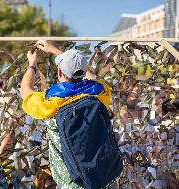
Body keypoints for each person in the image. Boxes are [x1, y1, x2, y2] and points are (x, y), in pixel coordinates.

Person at [20, 40, 113, 188]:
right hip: (101, 176)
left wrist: (32, 64)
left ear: (59, 72)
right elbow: (93, 78)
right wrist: (57, 52)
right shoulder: (100, 94)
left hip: (72, 181)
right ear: (83, 72)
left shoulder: (50, 104)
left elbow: (25, 91)